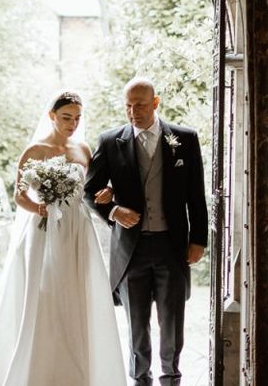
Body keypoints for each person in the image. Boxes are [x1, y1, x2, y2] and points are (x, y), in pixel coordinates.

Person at [0, 91, 126, 386]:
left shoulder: (83, 148)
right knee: (45, 293)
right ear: (52, 116)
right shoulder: (35, 150)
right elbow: (19, 195)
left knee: (77, 292)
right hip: (44, 229)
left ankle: (79, 368)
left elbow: (91, 189)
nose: (72, 123)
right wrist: (40, 207)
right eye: (66, 117)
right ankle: (38, 366)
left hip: (78, 230)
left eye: (77, 118)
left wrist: (108, 193)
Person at [84, 77, 209, 386]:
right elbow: (89, 191)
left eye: (139, 104)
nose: (133, 111)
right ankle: (141, 380)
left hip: (172, 245)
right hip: (131, 250)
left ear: (156, 102)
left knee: (172, 321)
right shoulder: (112, 141)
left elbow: (196, 194)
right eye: (127, 105)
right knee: (137, 324)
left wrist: (198, 240)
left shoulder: (185, 138)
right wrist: (114, 211)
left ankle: (171, 378)